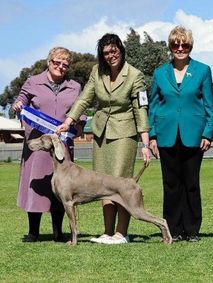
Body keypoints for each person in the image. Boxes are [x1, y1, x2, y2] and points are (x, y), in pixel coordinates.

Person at [56, 33, 150, 244]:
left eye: (114, 51)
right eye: (106, 53)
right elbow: (84, 98)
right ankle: (108, 233)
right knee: (102, 184)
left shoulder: (135, 75)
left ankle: (121, 233)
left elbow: (141, 110)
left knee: (120, 183)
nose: (110, 56)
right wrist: (69, 121)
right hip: (100, 133)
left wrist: (145, 143)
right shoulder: (96, 71)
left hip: (124, 134)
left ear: (121, 50)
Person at [148, 26, 213, 242]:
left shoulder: (203, 70)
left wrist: (207, 133)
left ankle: (192, 229)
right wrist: (152, 136)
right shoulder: (159, 73)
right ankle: (173, 230)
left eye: (184, 44)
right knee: (171, 185)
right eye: (175, 44)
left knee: (191, 183)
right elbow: (154, 106)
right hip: (166, 135)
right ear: (170, 46)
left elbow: (209, 105)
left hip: (194, 135)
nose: (180, 48)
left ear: (190, 46)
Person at [13, 47, 84, 242]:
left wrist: (77, 126)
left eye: (65, 65)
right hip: (38, 143)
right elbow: (20, 100)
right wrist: (18, 105)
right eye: (57, 62)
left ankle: (58, 232)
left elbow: (81, 110)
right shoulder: (32, 81)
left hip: (62, 143)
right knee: (35, 184)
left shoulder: (75, 87)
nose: (60, 67)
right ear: (49, 62)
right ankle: (33, 231)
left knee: (63, 187)